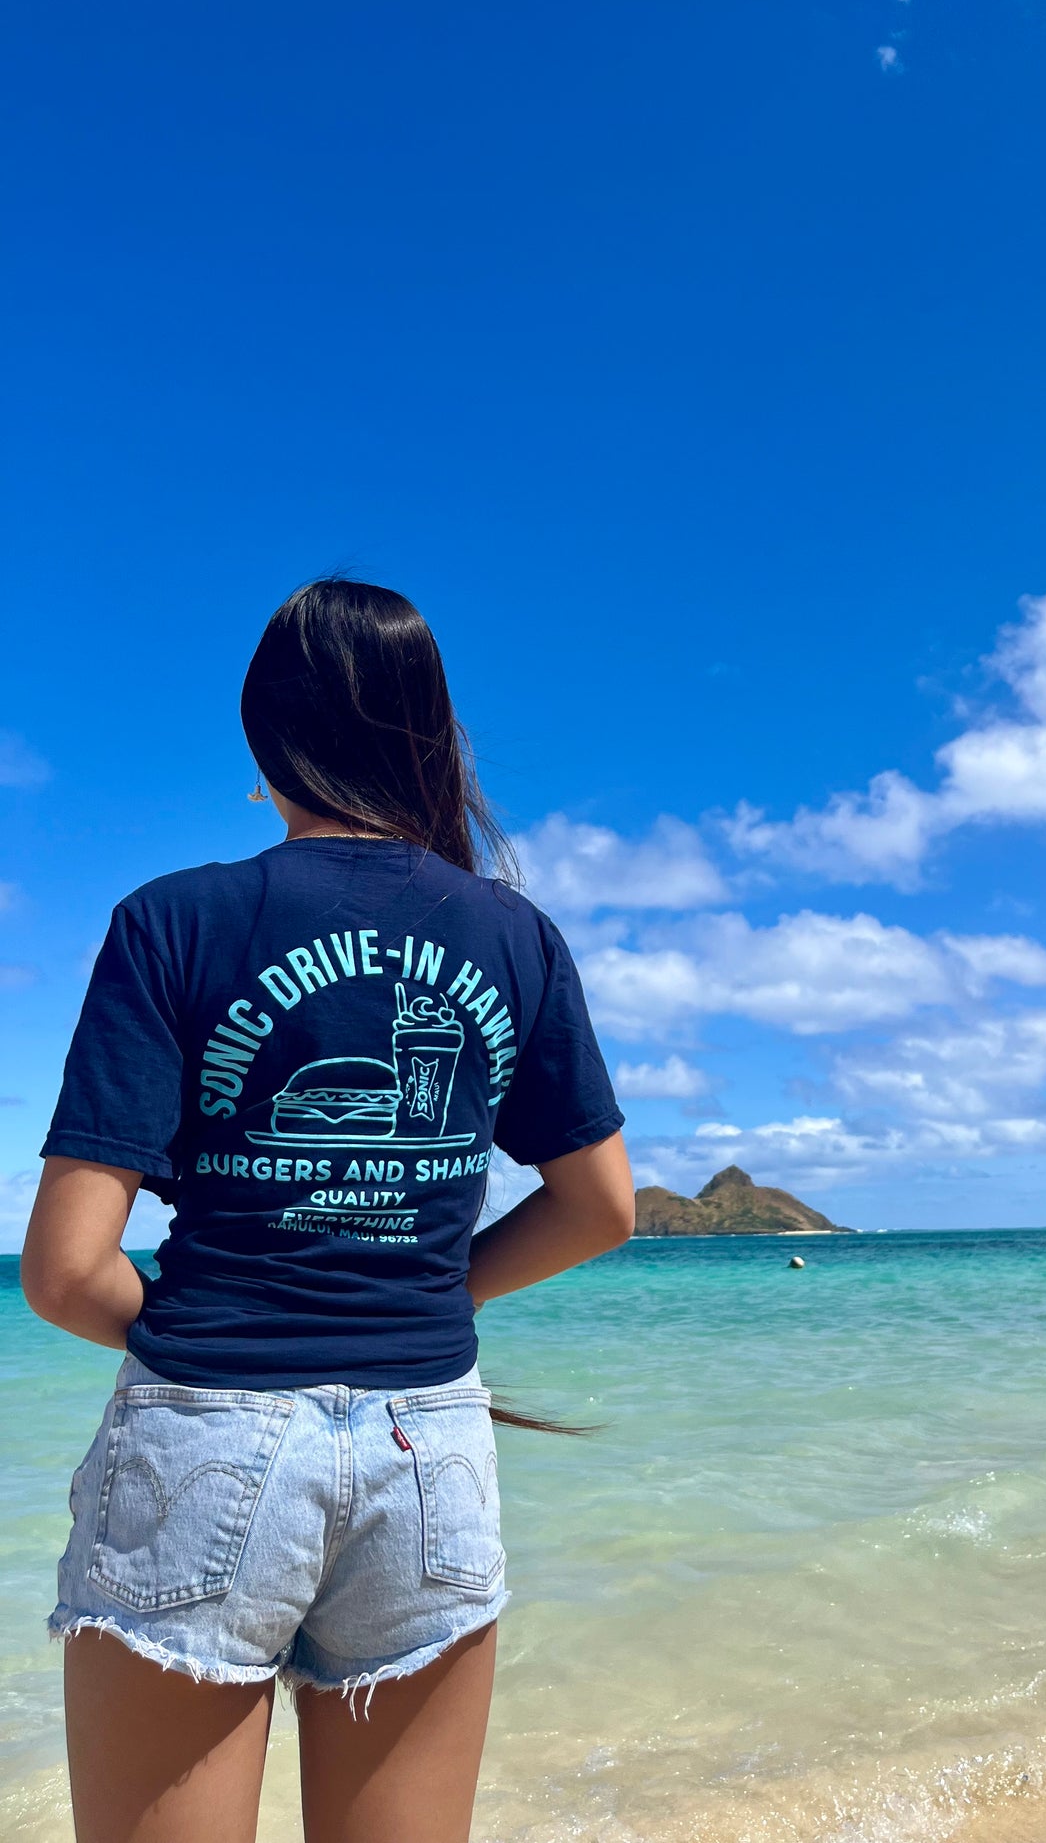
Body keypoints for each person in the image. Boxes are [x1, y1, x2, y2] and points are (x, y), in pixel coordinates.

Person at [20, 580, 634, 1843]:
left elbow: (68, 1272)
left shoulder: (175, 921)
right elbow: (598, 1208)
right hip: (430, 1452)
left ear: (264, 739)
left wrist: (216, 1320)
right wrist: (421, 1293)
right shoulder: (513, 936)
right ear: (432, 735)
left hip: (206, 1433)